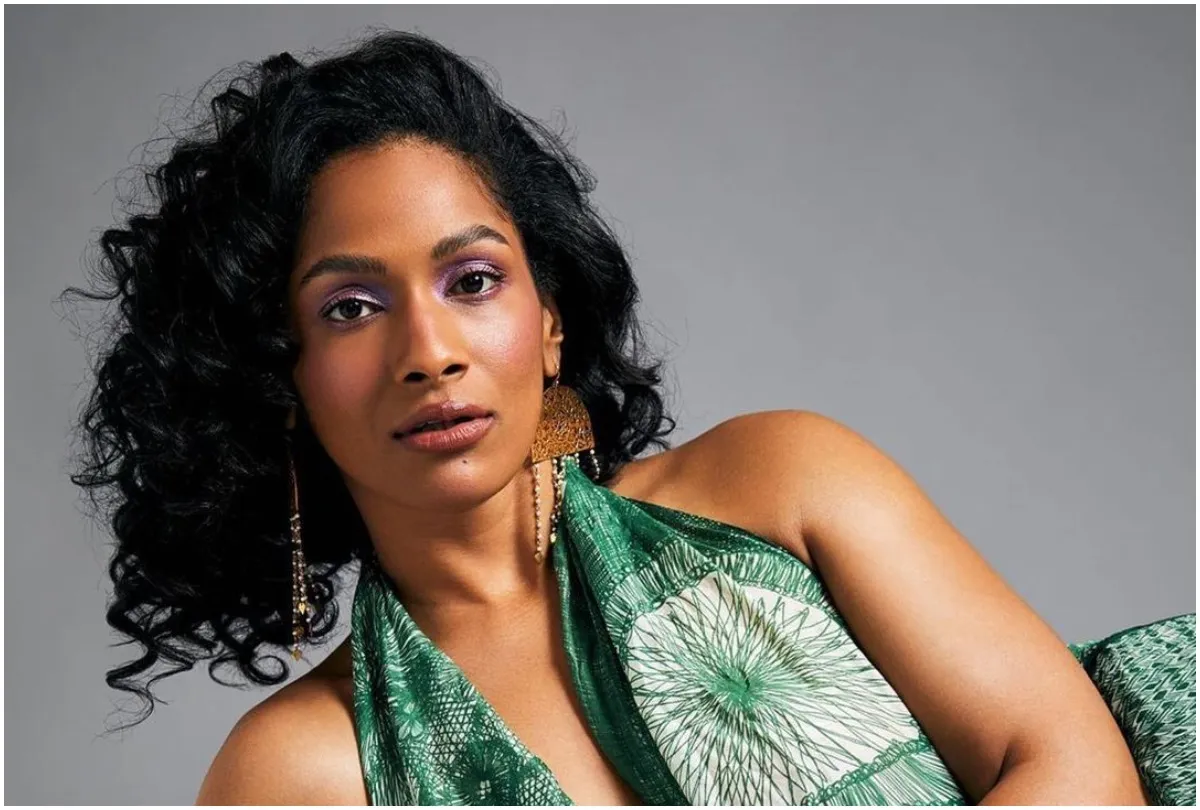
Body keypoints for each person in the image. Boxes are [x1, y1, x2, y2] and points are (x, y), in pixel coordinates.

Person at [65, 30, 1192, 807]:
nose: (431, 351)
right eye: (351, 307)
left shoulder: (777, 488)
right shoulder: (305, 773)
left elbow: (1077, 770)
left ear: (550, 320)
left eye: (473, 280)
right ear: (278, 374)